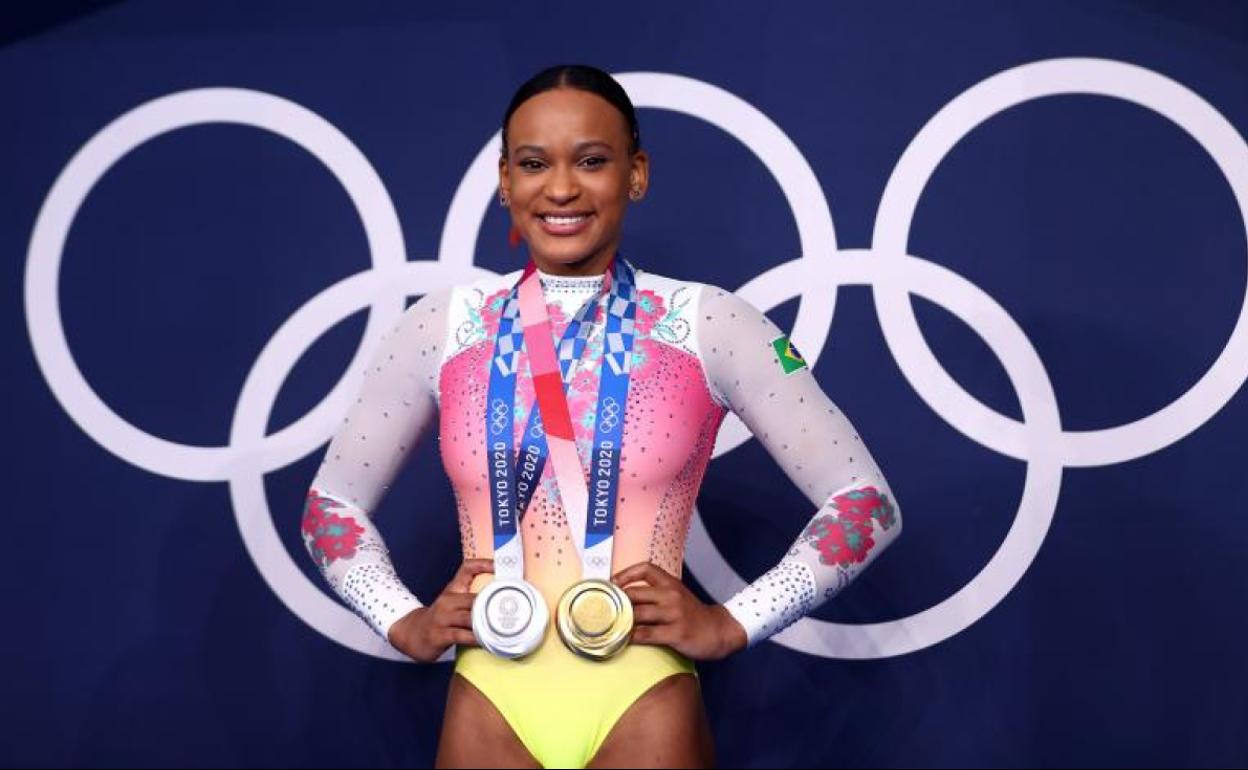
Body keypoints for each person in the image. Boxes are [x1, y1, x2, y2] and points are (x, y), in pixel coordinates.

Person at [301, 64, 902, 769]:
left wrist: (734, 622)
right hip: (490, 698)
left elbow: (866, 506)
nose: (560, 189)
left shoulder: (708, 323)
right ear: (504, 180)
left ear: (636, 174)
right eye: (533, 164)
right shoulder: (443, 326)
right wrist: (401, 619)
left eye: (591, 161)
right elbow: (329, 507)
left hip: (642, 697)